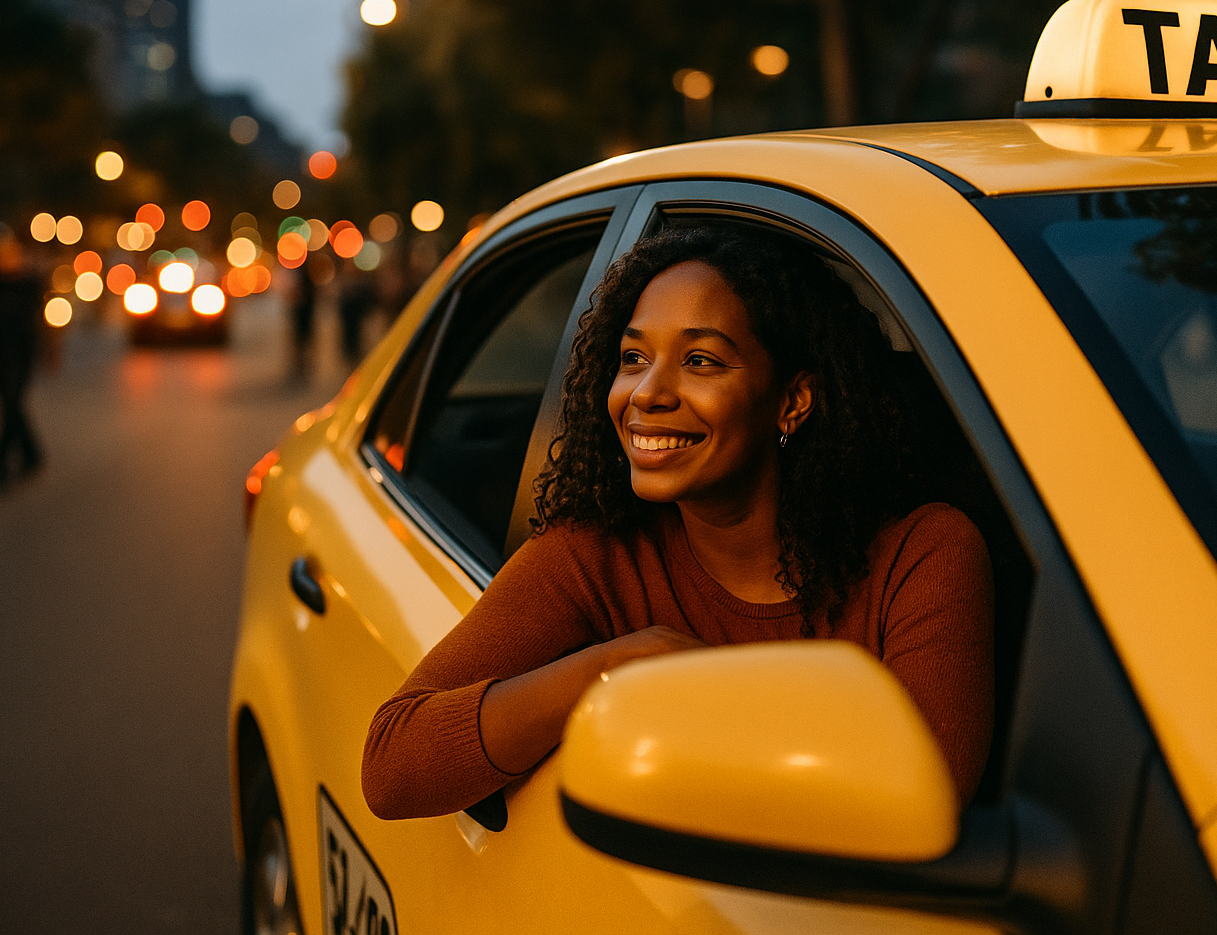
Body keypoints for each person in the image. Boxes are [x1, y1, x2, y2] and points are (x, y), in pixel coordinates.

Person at [362, 225, 994, 820]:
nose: (647, 393)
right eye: (634, 357)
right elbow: (392, 765)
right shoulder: (597, 556)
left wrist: (709, 698)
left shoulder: (920, 555)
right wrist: (616, 671)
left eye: (700, 362)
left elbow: (919, 803)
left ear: (793, 401)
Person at [0, 224, 45, 488]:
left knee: (12, 403)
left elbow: (36, 318)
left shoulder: (30, 284)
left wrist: (52, 352)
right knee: (11, 405)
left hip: (23, 351)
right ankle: (31, 453)